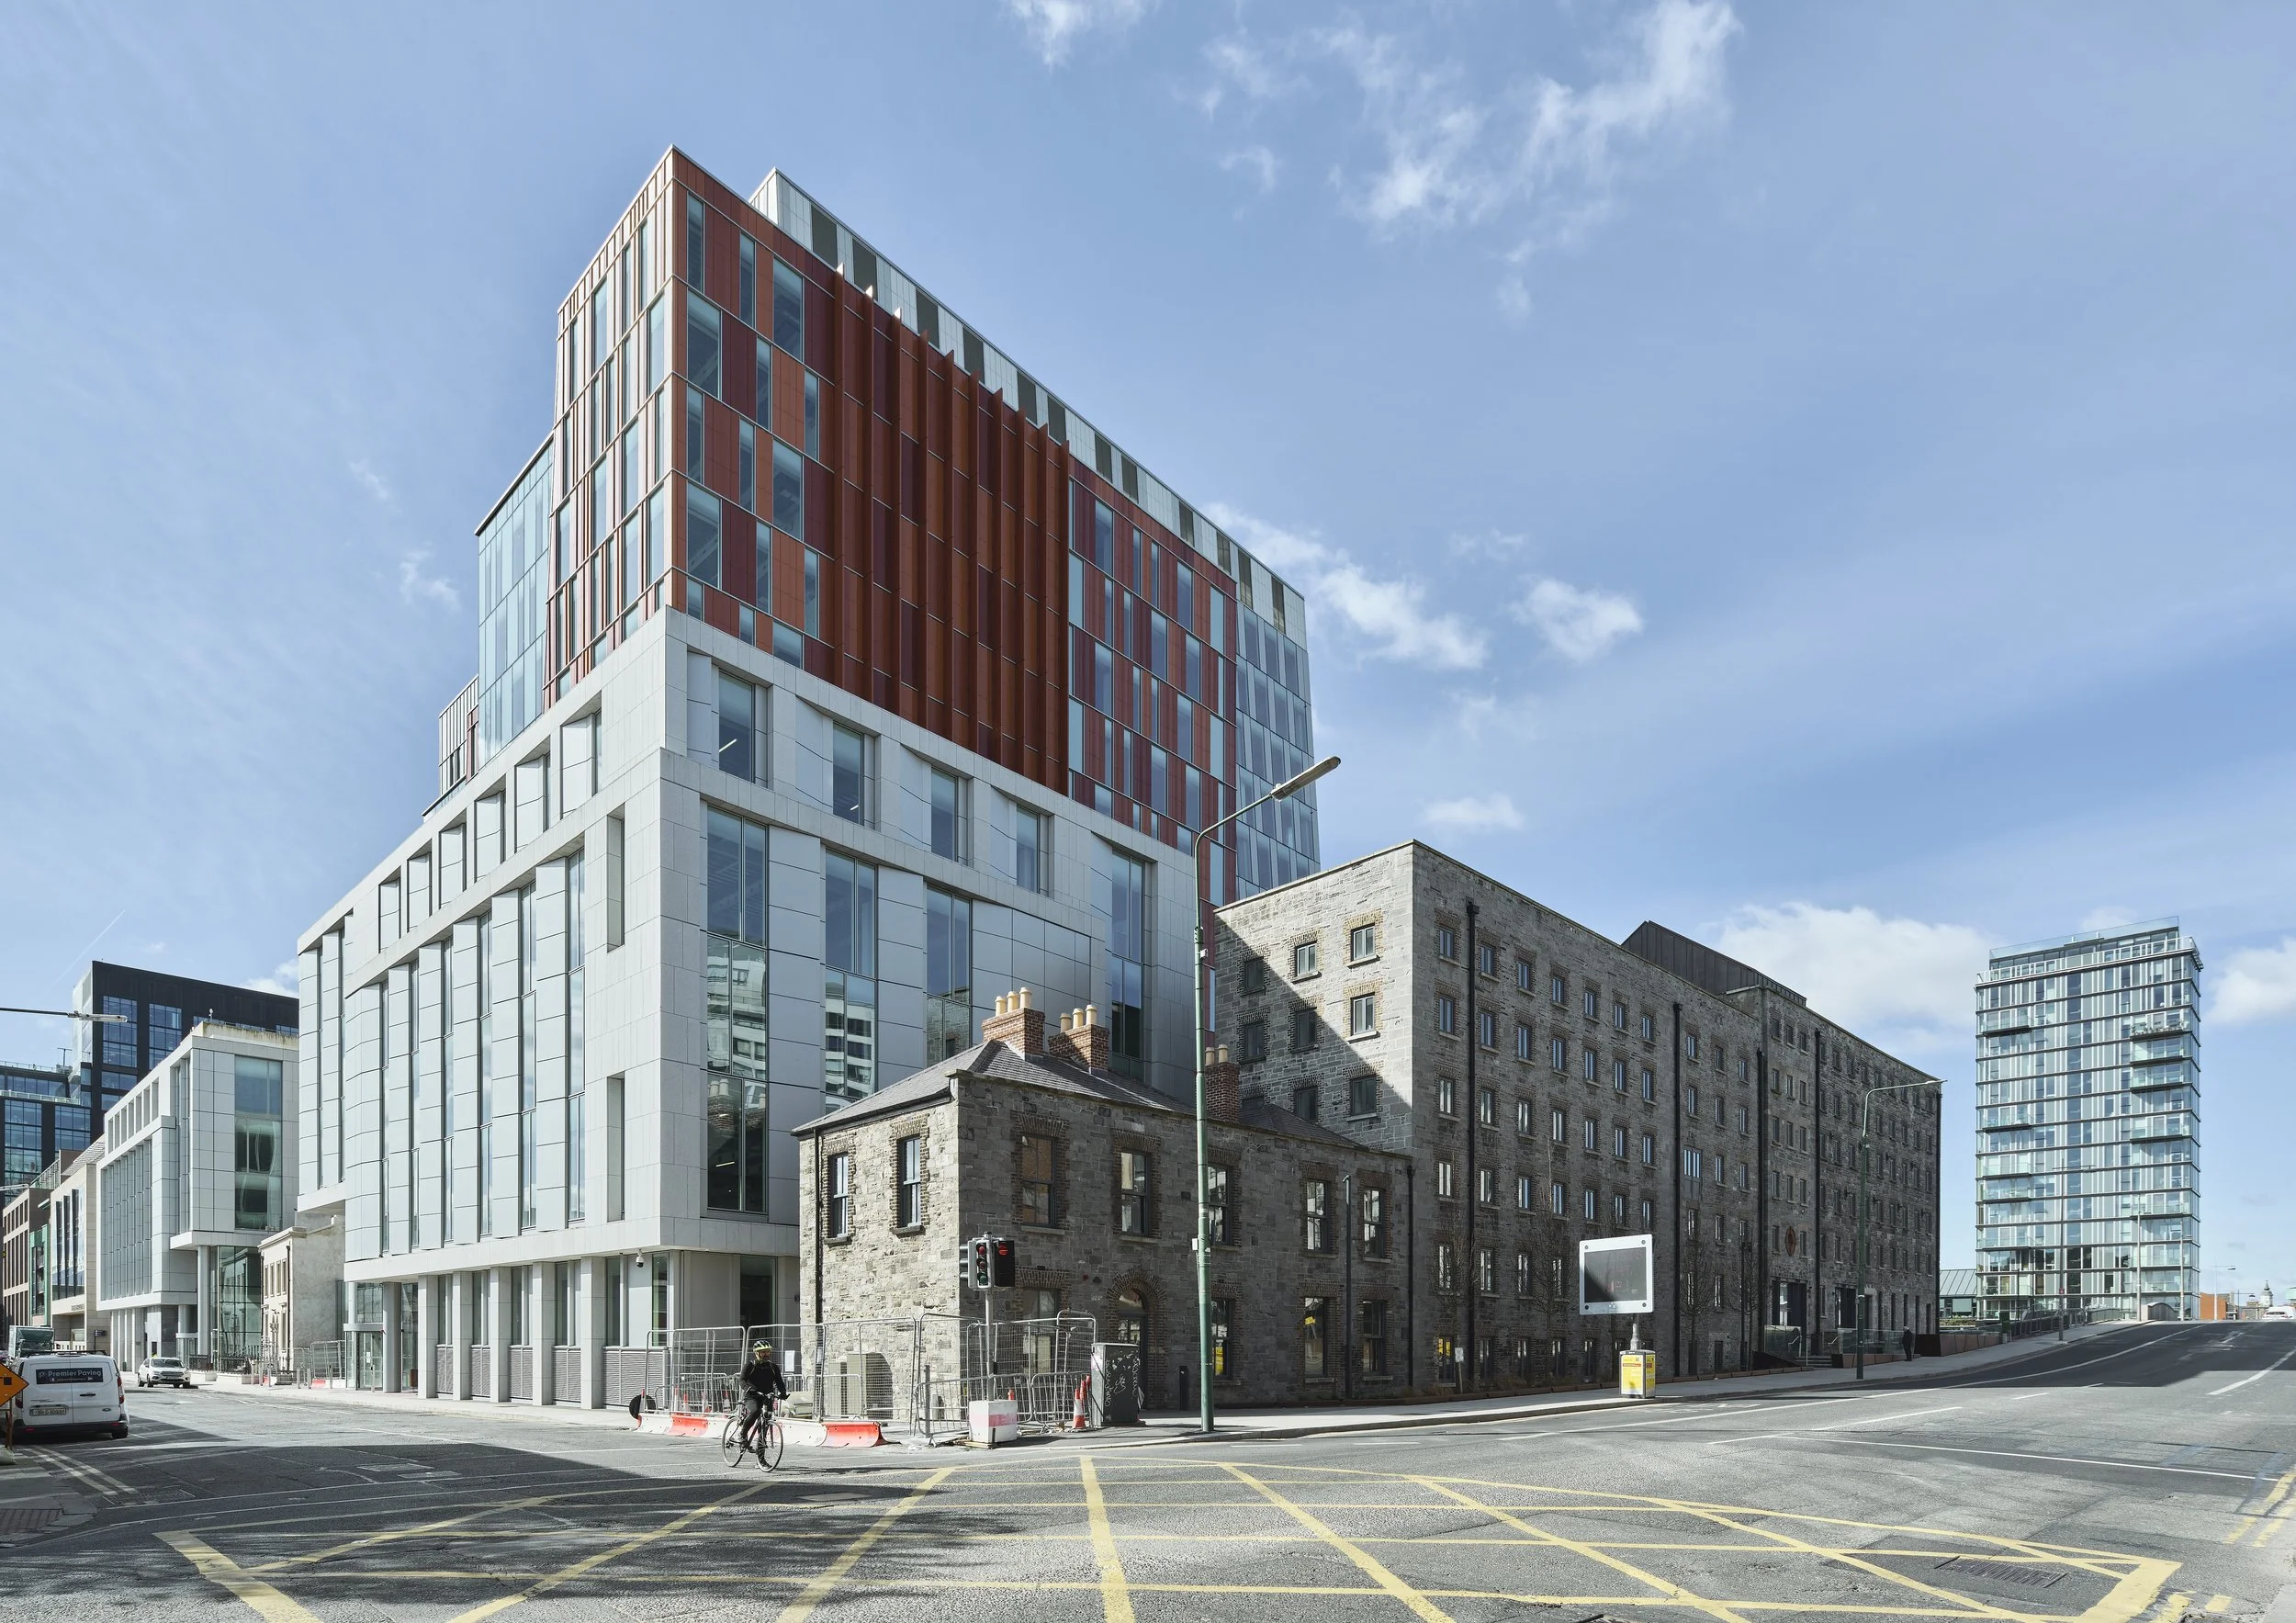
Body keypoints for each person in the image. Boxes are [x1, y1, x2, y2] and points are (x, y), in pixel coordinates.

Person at [737, 1342, 788, 1445]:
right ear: (757, 1353)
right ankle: (742, 1434)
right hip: (752, 1397)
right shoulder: (750, 1365)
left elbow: (779, 1382)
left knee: (765, 1424)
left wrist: (783, 1392)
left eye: (768, 1352)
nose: (766, 1354)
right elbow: (742, 1380)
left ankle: (761, 1458)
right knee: (755, 1411)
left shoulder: (773, 1367)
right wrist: (748, 1389)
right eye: (763, 1352)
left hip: (767, 1397)